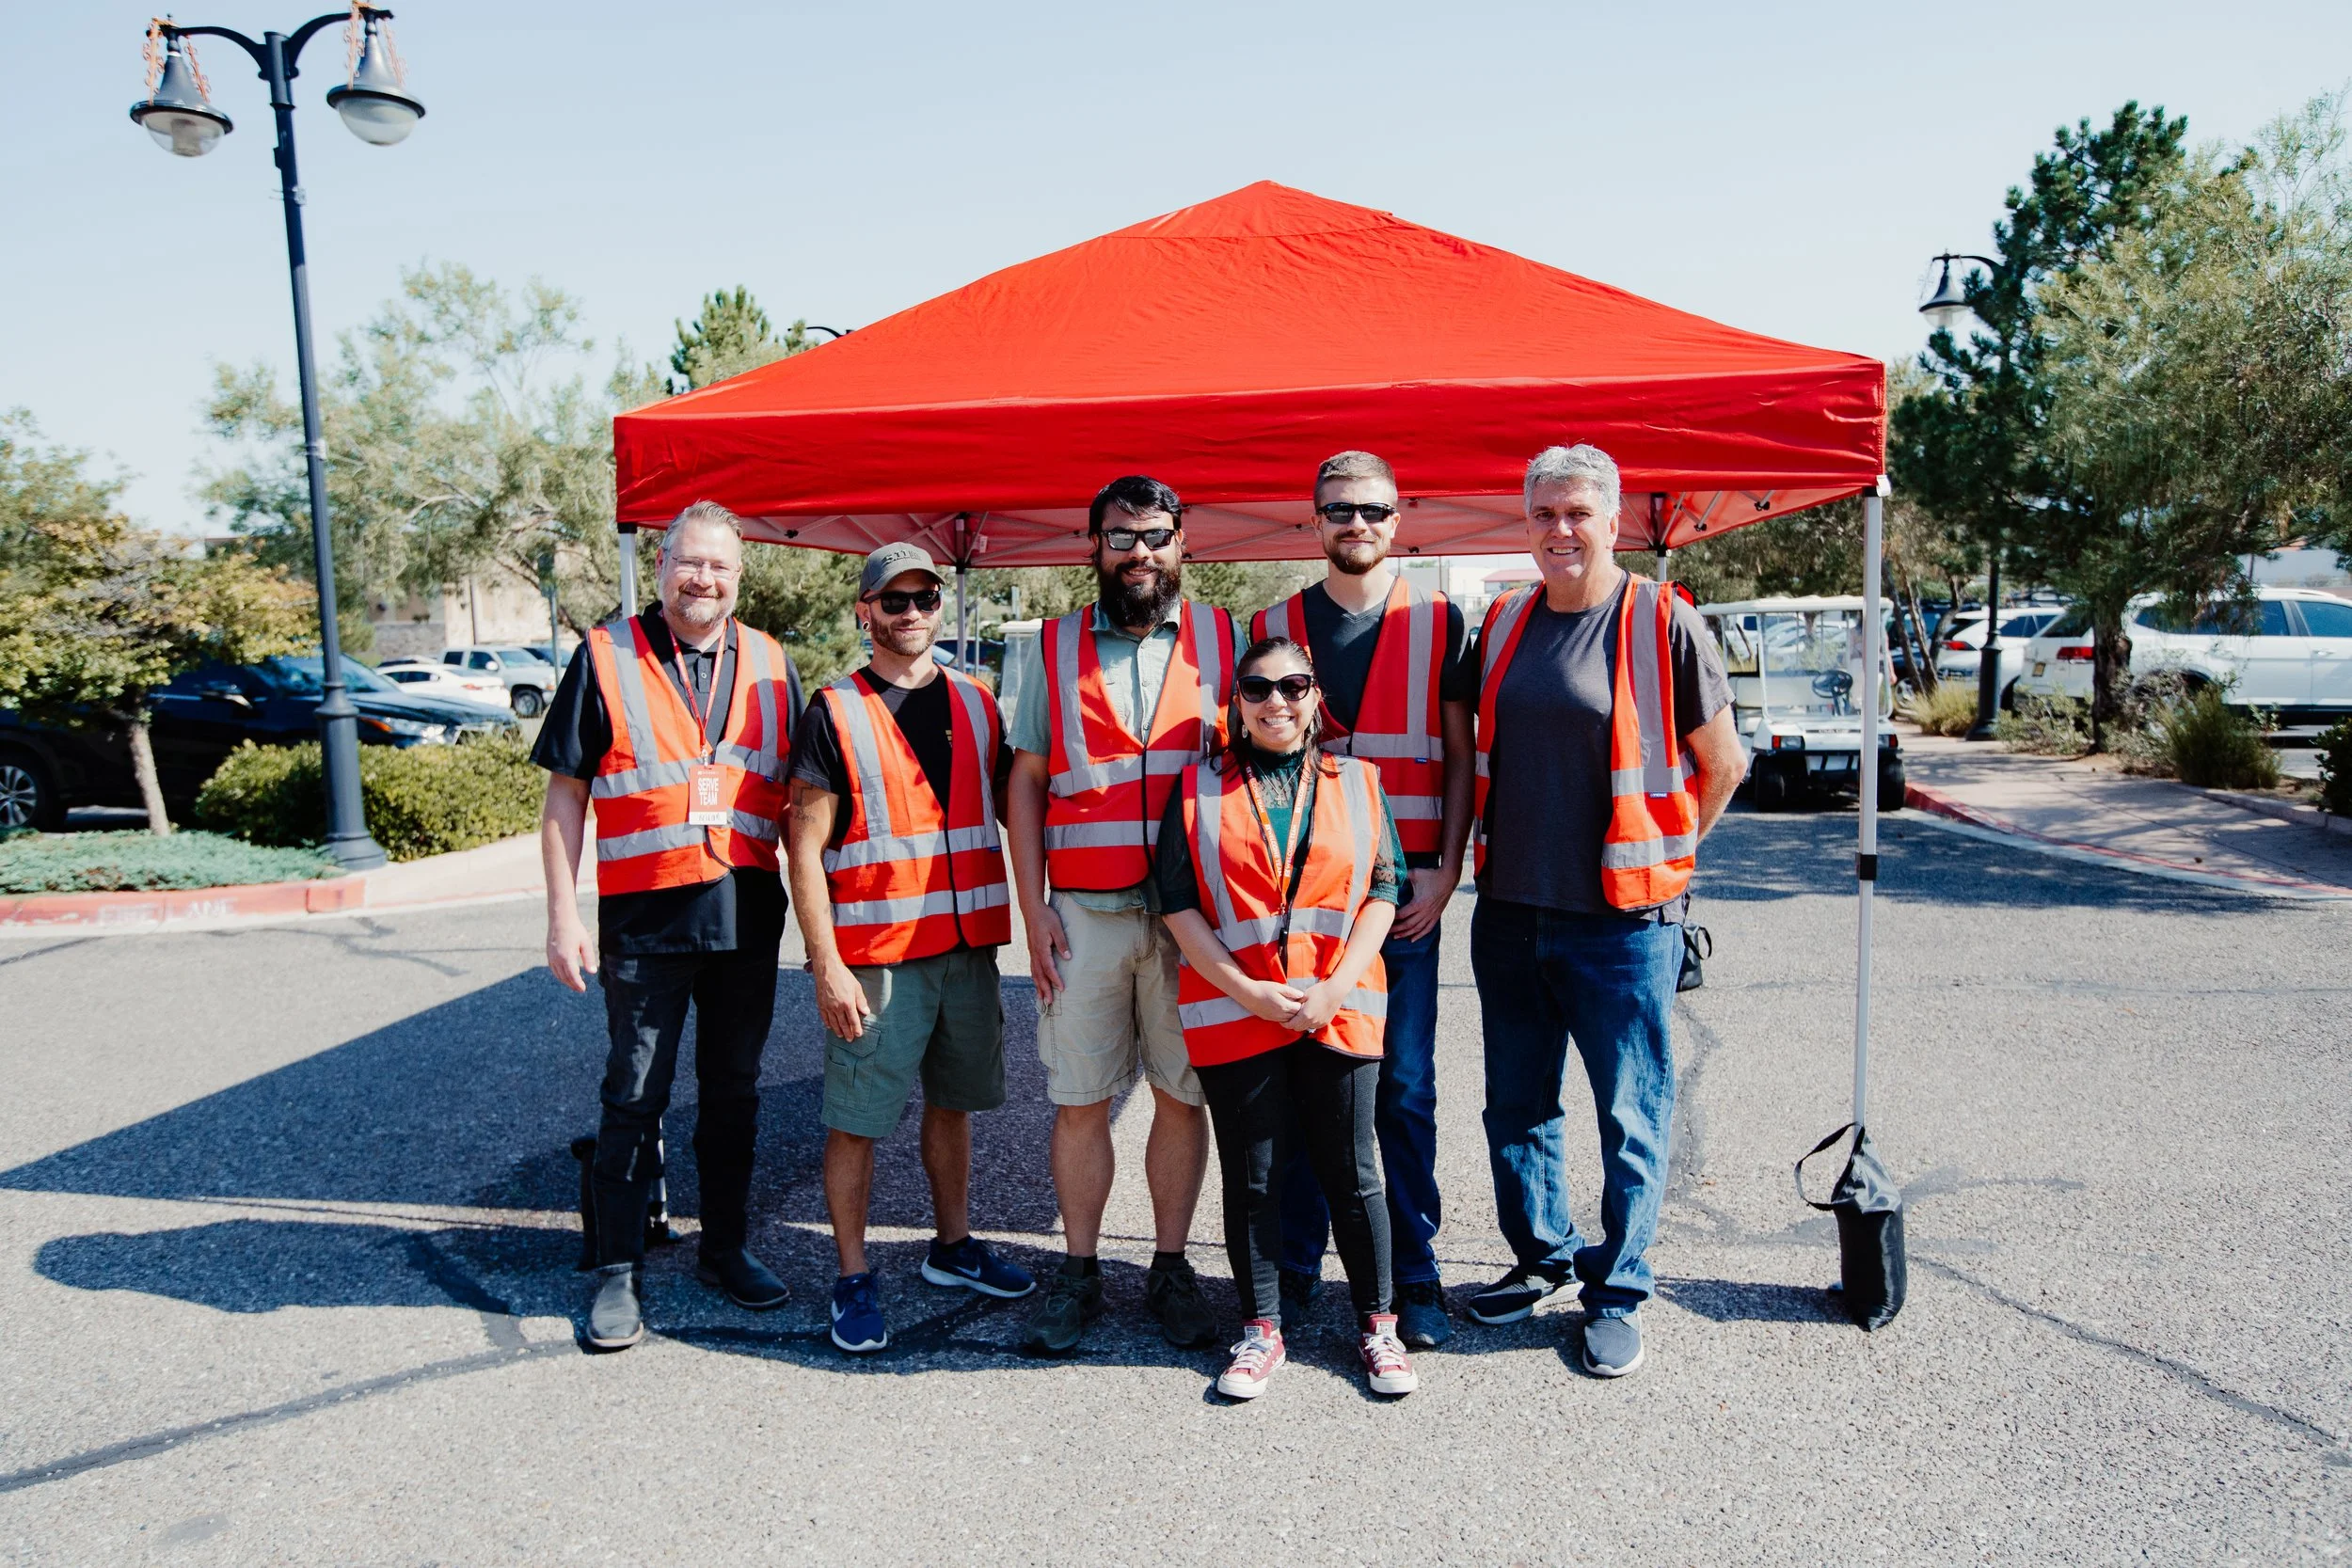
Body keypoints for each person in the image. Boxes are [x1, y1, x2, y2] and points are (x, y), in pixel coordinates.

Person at [1466, 444, 1746, 1379]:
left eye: (1577, 512)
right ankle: (1540, 1256)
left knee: (1631, 1115)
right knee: (1516, 1106)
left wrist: (1671, 853)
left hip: (1622, 925)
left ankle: (1617, 1290)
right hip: (1508, 912)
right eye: (1543, 513)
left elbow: (1725, 763)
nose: (1559, 530)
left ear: (1613, 517)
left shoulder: (1663, 621)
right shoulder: (1503, 621)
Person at [536, 500, 804, 1353]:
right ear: (661, 566)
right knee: (633, 1094)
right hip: (646, 921)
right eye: (691, 563)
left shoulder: (767, 661)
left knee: (734, 1095)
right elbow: (565, 796)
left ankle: (724, 1247)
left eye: (721, 567)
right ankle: (618, 1270)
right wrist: (560, 916)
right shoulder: (606, 656)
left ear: (739, 576)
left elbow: (802, 797)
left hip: (746, 917)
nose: (705, 579)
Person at [1004, 475, 1236, 1355]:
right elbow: (1024, 781)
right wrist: (1036, 908)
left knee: (1183, 1096)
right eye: (1120, 537)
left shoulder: (1227, 638)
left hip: (1193, 921)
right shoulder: (1051, 648)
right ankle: (1080, 1271)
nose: (1139, 553)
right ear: (1092, 545)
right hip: (1086, 917)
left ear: (1183, 541)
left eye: (1155, 535)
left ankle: (1170, 1268)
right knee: (1080, 1102)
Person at [1250, 450, 1476, 1349]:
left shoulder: (1441, 620)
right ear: (1315, 518)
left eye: (1372, 509)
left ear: (1397, 516)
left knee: (1404, 1090)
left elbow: (1460, 757)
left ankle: (1411, 1276)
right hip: (1302, 899)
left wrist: (1448, 868)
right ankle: (1299, 1264)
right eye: (1339, 509)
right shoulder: (1272, 625)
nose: (1356, 523)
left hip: (1409, 891)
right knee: (1306, 1082)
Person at [785, 544, 1035, 1354]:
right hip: (878, 959)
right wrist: (825, 965)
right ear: (865, 612)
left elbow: (1016, 811)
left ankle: (952, 1247)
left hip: (966, 949)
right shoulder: (835, 711)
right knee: (855, 1121)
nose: (912, 613)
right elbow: (804, 847)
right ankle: (853, 1275)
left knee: (953, 1105)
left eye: (925, 597)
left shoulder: (977, 703)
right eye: (894, 601)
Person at [1157, 637, 1416, 1400]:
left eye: (1294, 685)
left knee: (1353, 1171)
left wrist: (1334, 986)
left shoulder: (1358, 781)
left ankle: (1379, 1327)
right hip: (1240, 1011)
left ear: (1314, 697)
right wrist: (1250, 992)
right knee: (1257, 1177)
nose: (1277, 701)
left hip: (1336, 1008)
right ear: (1235, 701)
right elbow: (1177, 905)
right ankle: (1260, 1329)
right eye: (1259, 688)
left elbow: (1384, 890)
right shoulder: (1196, 789)